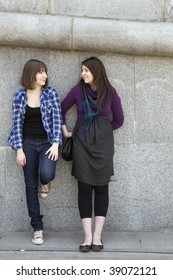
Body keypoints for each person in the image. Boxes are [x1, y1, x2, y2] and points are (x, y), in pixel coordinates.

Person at [61, 56, 124, 252]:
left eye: (87, 70)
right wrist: (66, 131)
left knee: (102, 188)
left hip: (103, 147)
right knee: (85, 188)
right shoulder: (77, 92)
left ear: (97, 70)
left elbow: (119, 120)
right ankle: (87, 236)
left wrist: (102, 130)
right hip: (81, 145)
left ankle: (98, 236)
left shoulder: (110, 93)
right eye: (82, 70)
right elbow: (60, 109)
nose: (83, 73)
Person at [8, 59, 62, 245]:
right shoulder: (19, 97)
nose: (44, 75)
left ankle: (45, 182)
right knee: (30, 185)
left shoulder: (51, 93)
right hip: (27, 144)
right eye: (40, 72)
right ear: (31, 74)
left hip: (47, 142)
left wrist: (56, 144)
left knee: (46, 173)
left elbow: (57, 119)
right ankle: (37, 228)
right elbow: (16, 125)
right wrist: (19, 150)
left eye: (45, 72)